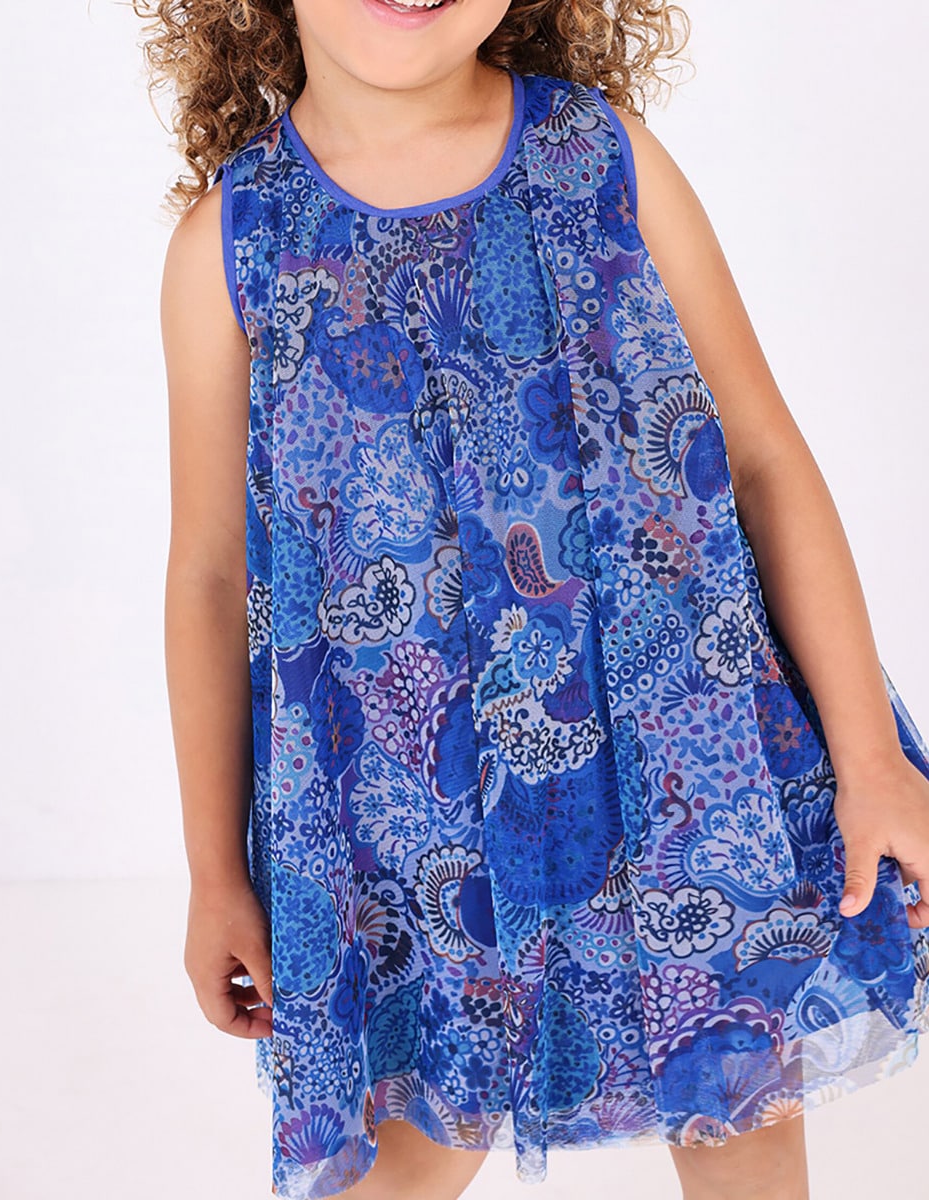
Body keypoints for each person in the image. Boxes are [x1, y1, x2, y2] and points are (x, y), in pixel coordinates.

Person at [136, 2, 929, 1198]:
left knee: (744, 1126)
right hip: (411, 824)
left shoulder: (601, 158)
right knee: (408, 1151)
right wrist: (215, 869)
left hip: (686, 771)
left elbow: (761, 456)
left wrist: (868, 758)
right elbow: (207, 575)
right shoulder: (230, 246)